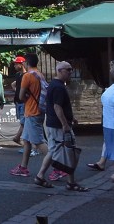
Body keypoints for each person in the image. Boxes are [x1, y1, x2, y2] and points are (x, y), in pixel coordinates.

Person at [34, 61, 88, 192]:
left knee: (53, 150)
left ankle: (40, 176)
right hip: (59, 126)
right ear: (59, 71)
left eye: (71, 69)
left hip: (53, 124)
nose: (70, 72)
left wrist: (71, 118)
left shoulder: (54, 84)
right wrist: (65, 124)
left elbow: (58, 106)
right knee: (70, 151)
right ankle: (71, 182)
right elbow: (57, 107)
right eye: (68, 70)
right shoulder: (58, 87)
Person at [10, 53, 50, 178]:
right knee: (26, 140)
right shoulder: (39, 74)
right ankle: (23, 167)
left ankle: (59, 166)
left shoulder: (27, 76)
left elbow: (21, 96)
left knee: (38, 142)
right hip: (36, 110)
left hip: (32, 112)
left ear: (26, 63)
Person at [11, 56, 26, 146]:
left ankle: (18, 137)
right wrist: (17, 91)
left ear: (22, 64)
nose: (14, 66)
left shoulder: (26, 75)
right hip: (18, 102)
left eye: (16, 64)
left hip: (23, 102)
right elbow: (13, 84)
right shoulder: (18, 75)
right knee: (23, 121)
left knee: (24, 122)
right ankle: (18, 138)